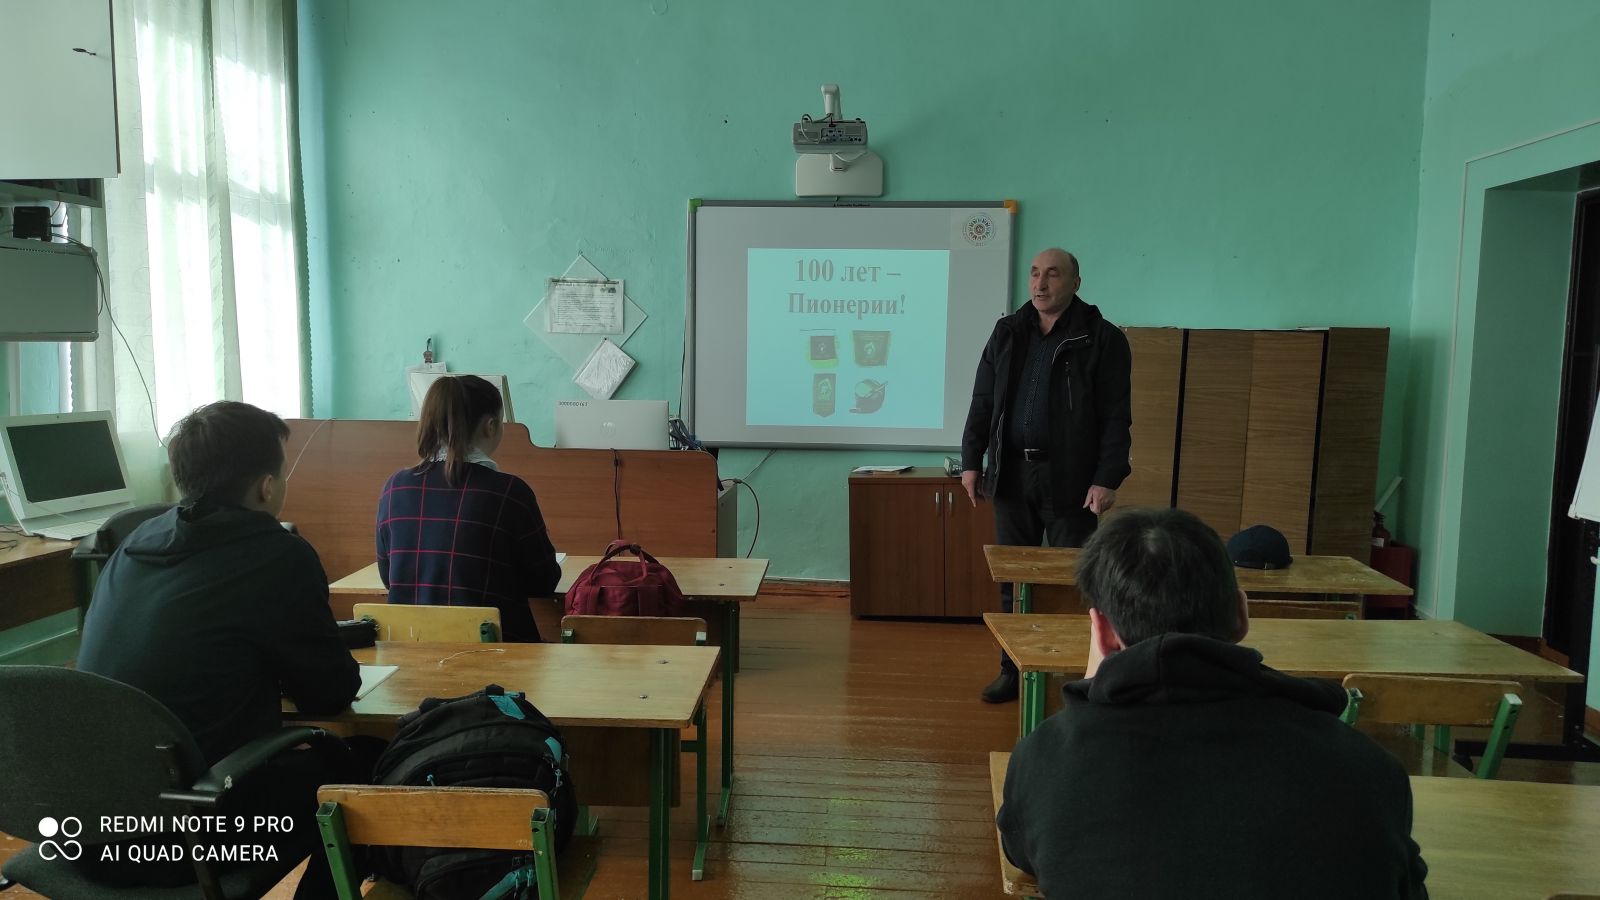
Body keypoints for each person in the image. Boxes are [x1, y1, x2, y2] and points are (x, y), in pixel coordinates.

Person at [996, 508, 1429, 899]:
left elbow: (1022, 853)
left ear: (1102, 633)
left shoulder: (1044, 761)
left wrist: (1094, 694)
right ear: (1241, 614)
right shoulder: (1369, 769)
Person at [76, 400, 362, 898]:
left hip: (86, 826)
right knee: (367, 774)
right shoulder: (277, 555)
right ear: (266, 486)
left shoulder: (134, 541)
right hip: (188, 837)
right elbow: (330, 694)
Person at [961, 247, 1132, 703]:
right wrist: (972, 460)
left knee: (1073, 580)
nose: (1040, 283)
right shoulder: (1008, 331)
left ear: (1075, 282)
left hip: (1072, 480)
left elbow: (1116, 416)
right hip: (1012, 475)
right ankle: (1012, 670)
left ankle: (1074, 675)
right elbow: (983, 400)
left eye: (1053, 275)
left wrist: (1107, 477)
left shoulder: (1102, 339)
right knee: (1013, 580)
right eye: (1035, 274)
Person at [376, 375, 561, 640]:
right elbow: (543, 582)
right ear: (490, 426)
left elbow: (389, 577)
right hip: (496, 650)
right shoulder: (509, 491)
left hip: (411, 647)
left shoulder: (395, 487)